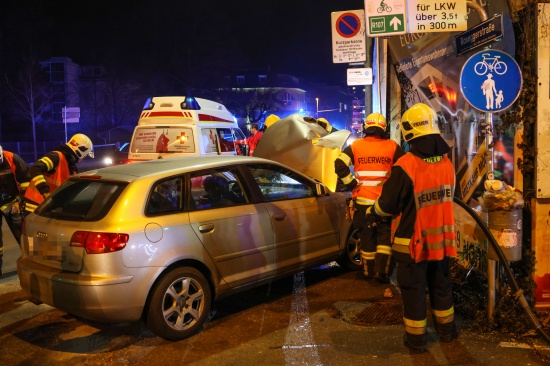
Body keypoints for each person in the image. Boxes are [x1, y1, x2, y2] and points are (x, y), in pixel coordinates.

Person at [366, 103, 458, 353]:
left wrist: (371, 211)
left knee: (414, 291)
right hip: (443, 243)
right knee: (441, 287)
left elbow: (387, 205)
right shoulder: (447, 163)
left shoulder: (406, 165)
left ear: (409, 131)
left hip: (413, 244)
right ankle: (447, 332)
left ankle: (417, 341)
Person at [334, 112, 405, 283]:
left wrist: (351, 184)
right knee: (384, 237)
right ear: (383, 129)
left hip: (363, 202)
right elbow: (404, 169)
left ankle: (368, 272)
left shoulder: (356, 146)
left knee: (367, 236)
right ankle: (382, 273)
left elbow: (339, 163)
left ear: (366, 127)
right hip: (385, 203)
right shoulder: (392, 146)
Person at [23, 133, 94, 215]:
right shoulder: (56, 157)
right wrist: (45, 192)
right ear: (80, 152)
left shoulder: (70, 167)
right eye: (85, 156)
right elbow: (35, 169)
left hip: (47, 208)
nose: (83, 159)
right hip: (35, 207)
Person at [0, 146, 30, 275]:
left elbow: (26, 179)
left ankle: (33, 264)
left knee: (23, 235)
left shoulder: (12, 158)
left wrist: (20, 201)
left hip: (13, 203)